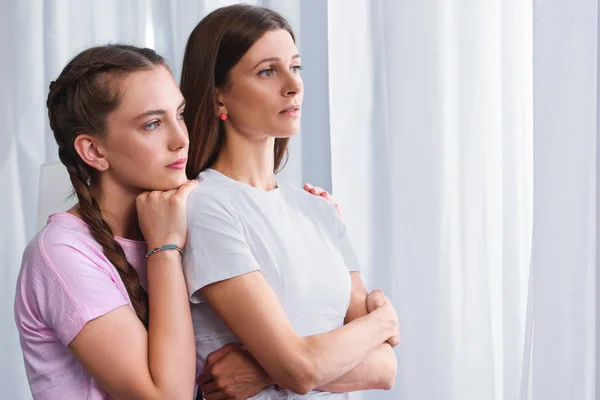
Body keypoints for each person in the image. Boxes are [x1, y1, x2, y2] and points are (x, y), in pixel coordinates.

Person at [14, 42, 344, 400]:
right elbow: (168, 396)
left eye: (180, 115)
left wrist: (311, 233)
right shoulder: (60, 254)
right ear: (94, 151)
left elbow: (308, 347)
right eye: (153, 124)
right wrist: (163, 250)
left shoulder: (194, 217)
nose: (179, 139)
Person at [180, 5, 400, 399]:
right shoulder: (206, 206)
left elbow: (384, 367)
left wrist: (265, 371)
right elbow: (300, 369)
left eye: (295, 67)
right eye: (267, 71)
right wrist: (383, 321)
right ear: (218, 98)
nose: (293, 85)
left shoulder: (318, 210)